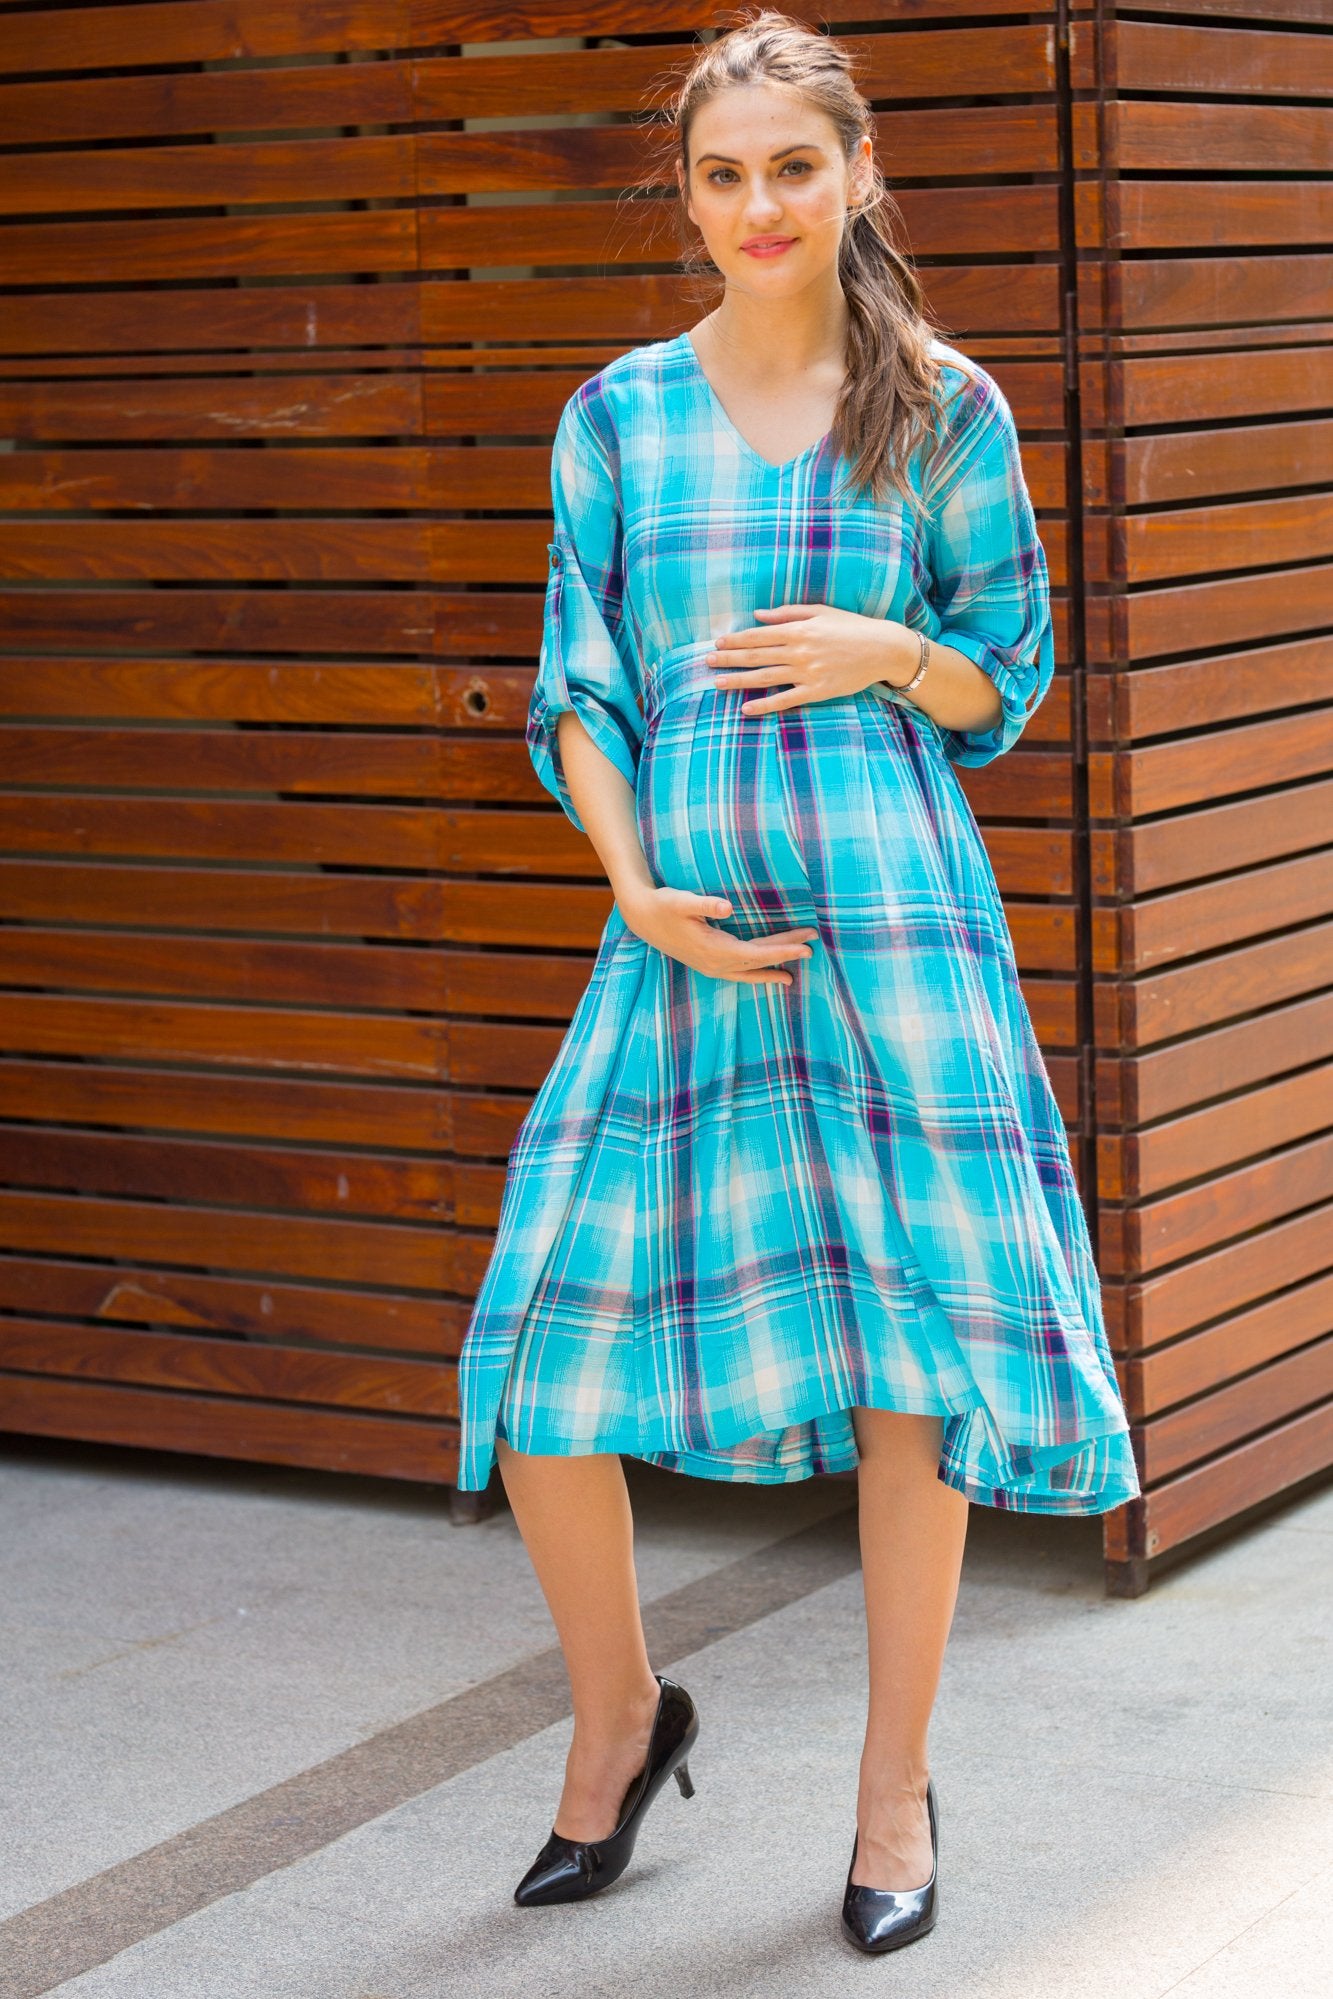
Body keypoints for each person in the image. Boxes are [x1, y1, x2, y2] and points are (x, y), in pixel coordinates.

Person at [453, 6, 1140, 1955]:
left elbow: (1007, 673)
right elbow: (578, 685)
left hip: (890, 929)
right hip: (680, 941)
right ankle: (620, 1718)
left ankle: (890, 1789)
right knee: (539, 1355)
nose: (757, 203)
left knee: (907, 1367)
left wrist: (878, 649)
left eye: (791, 166)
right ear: (684, 195)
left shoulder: (941, 406)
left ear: (855, 174)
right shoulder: (616, 416)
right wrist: (630, 886)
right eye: (722, 173)